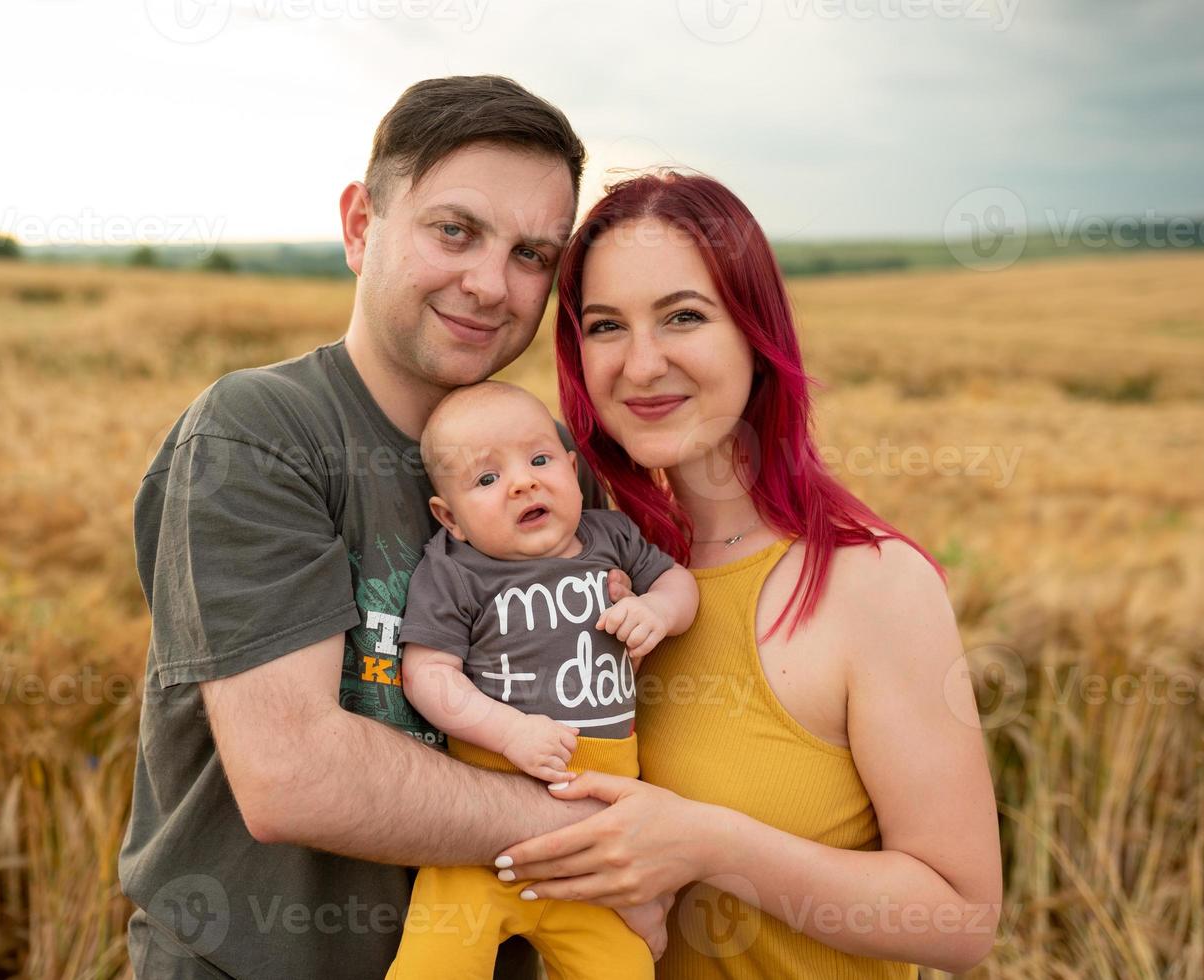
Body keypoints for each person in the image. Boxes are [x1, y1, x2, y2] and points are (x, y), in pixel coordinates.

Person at [118, 76, 666, 979]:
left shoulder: (548, 464)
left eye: (533, 254)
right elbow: (293, 774)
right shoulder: (260, 432)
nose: (491, 284)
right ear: (360, 224)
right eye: (455, 230)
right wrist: (615, 848)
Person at [491, 171, 1004, 977]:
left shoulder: (872, 585)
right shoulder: (588, 568)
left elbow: (960, 919)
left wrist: (705, 844)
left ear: (755, 335)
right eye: (605, 326)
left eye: (683, 317)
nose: (641, 363)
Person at [384, 381, 699, 978]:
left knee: (625, 968)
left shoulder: (613, 538)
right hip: (480, 843)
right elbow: (427, 674)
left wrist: (659, 611)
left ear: (574, 471)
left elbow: (679, 583)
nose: (523, 483)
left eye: (539, 459)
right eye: (486, 479)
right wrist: (509, 731)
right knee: (436, 963)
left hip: (593, 849)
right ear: (449, 517)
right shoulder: (455, 572)